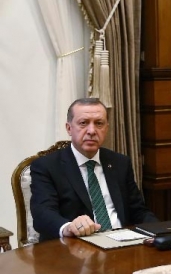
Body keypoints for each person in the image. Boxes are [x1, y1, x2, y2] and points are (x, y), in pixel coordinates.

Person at [31, 98, 158, 241]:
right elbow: (43, 214)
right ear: (69, 128)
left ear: (106, 128)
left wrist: (161, 232)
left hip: (123, 243)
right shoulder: (47, 166)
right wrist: (68, 227)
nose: (91, 131)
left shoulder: (120, 162)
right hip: (76, 246)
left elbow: (138, 211)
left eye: (99, 123)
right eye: (83, 123)